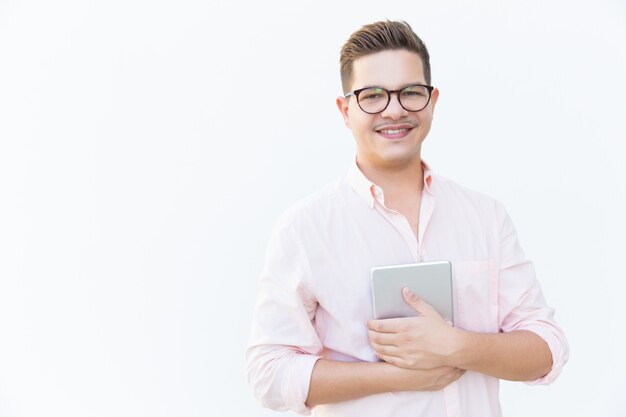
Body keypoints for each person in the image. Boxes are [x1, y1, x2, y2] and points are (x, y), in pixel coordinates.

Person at [245, 20, 568, 417]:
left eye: (410, 93)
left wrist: (456, 345)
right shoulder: (305, 228)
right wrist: (400, 376)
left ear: (432, 101)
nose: (394, 109)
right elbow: (269, 374)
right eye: (373, 96)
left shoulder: (485, 217)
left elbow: (546, 349)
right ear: (345, 111)